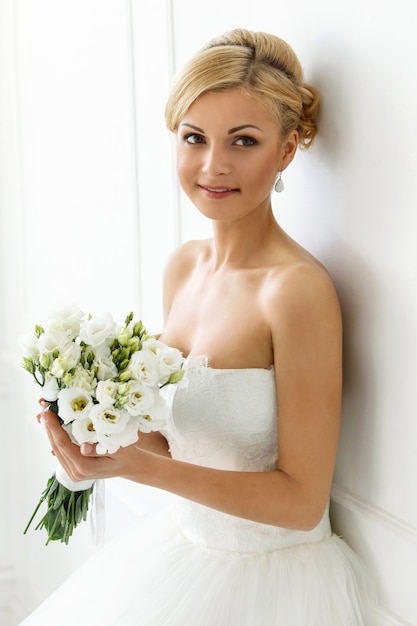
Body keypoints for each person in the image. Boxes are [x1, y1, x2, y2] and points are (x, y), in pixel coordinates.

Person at [21, 28, 377, 625]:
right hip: (185, 554)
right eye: (194, 138)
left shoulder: (296, 292)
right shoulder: (183, 267)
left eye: (244, 141)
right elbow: (183, 436)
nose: (213, 165)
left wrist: (143, 468)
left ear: (286, 151)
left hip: (272, 584)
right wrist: (93, 433)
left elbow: (301, 500)